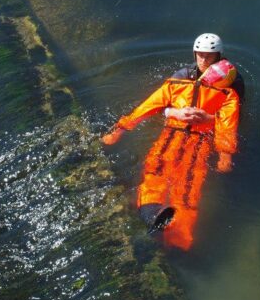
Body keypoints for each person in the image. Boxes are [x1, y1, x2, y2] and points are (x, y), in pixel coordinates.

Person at [102, 33, 242, 251]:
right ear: (194, 54)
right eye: (200, 55)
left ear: (218, 56)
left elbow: (229, 122)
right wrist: (121, 128)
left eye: (209, 56)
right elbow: (150, 105)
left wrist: (224, 152)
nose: (203, 61)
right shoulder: (178, 80)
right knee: (154, 170)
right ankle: (153, 215)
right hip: (172, 134)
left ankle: (179, 235)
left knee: (187, 187)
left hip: (200, 141)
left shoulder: (230, 88)